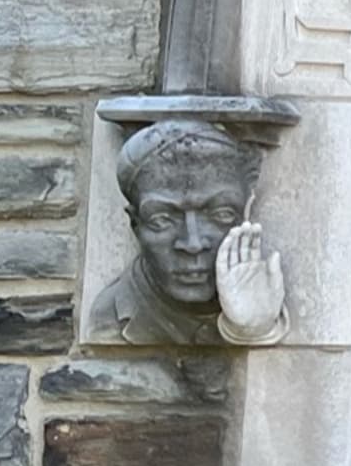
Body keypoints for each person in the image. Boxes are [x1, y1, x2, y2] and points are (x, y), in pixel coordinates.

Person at [85, 121, 289, 348]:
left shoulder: (259, 297)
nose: (192, 243)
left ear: (247, 213)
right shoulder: (110, 314)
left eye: (220, 214)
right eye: (162, 219)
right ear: (135, 224)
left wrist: (252, 327)